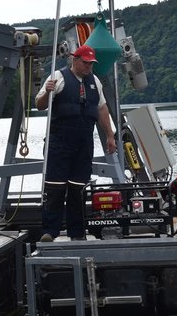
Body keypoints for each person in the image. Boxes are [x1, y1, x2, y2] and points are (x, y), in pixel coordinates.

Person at [35, 45, 117, 241]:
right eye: (86, 62)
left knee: (78, 188)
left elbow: (102, 109)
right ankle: (50, 231)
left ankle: (77, 233)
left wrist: (110, 135)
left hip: (84, 141)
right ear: (75, 60)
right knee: (55, 188)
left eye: (91, 63)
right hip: (60, 140)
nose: (89, 66)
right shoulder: (58, 77)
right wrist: (47, 92)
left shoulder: (94, 81)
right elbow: (39, 104)